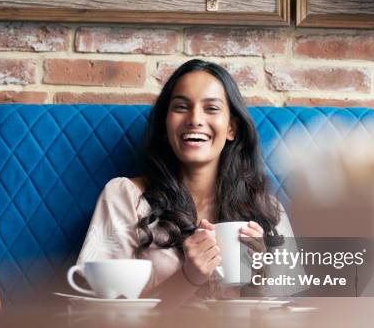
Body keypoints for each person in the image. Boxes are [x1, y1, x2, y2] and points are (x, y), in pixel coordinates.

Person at [77, 59, 293, 305]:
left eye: (211, 108)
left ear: (232, 128)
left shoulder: (267, 209)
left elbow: (297, 319)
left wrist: (261, 277)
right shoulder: (125, 196)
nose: (195, 119)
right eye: (181, 107)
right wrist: (187, 278)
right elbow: (101, 313)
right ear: (165, 126)